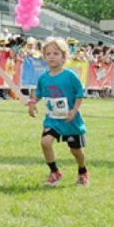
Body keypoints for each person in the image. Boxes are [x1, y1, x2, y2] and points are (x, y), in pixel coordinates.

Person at [27, 37, 89, 187]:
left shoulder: (70, 76)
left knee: (75, 150)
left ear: (63, 56)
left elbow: (79, 95)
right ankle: (54, 172)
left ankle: (82, 171)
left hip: (69, 120)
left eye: (56, 53)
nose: (51, 57)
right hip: (52, 119)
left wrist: (74, 111)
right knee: (45, 142)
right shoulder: (43, 78)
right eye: (48, 54)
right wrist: (32, 104)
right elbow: (38, 94)